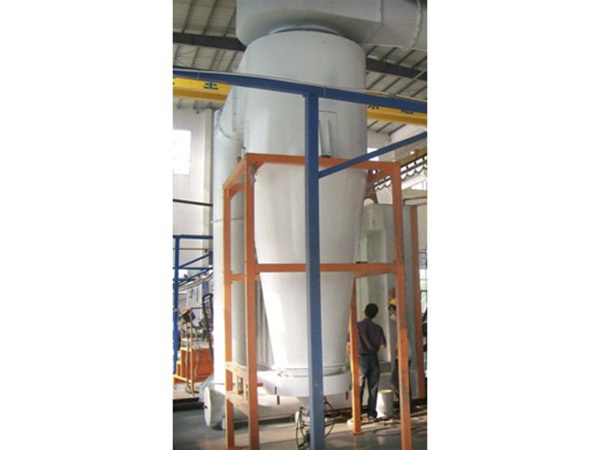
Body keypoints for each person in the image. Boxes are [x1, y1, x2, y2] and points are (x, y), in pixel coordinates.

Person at [348, 303, 387, 421]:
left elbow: (349, 345)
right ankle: (371, 414)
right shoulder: (378, 328)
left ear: (364, 312)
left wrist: (352, 358)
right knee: (373, 388)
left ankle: (357, 415)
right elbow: (383, 346)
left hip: (360, 359)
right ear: (375, 315)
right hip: (374, 358)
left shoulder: (356, 326)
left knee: (359, 387)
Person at [388, 298, 413, 413]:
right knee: (403, 380)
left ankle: (406, 406)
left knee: (396, 382)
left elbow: (402, 336)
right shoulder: (399, 320)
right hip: (404, 354)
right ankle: (407, 406)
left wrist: (398, 347)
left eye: (391, 310)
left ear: (396, 310)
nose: (390, 314)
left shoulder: (401, 321)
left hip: (404, 355)